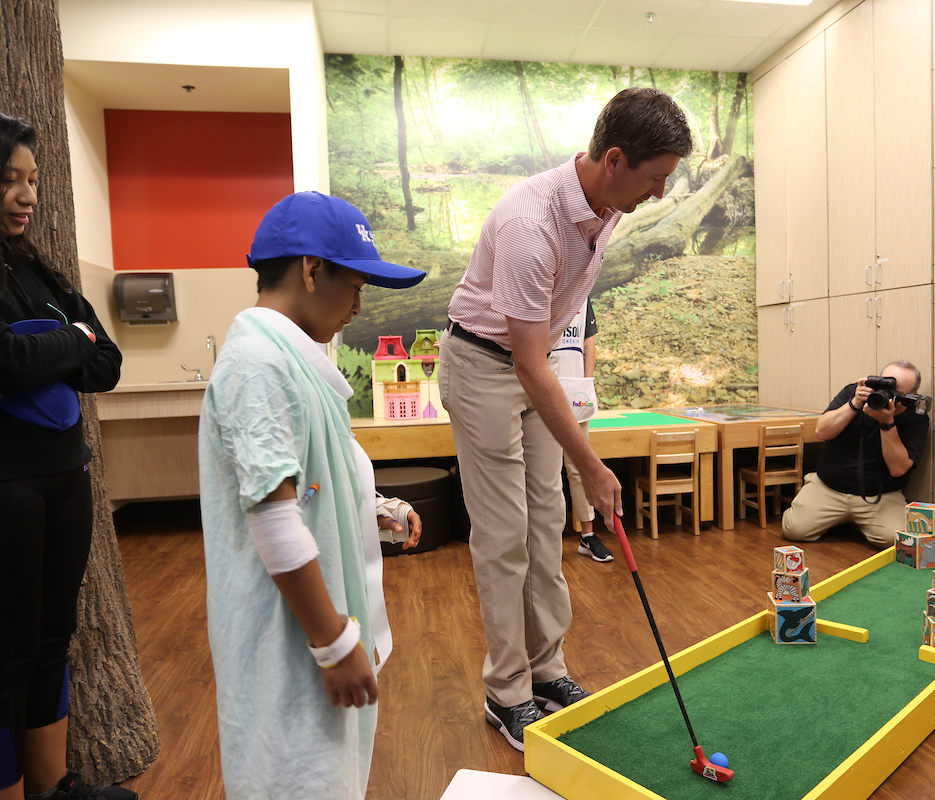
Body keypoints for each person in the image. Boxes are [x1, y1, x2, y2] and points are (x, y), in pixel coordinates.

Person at [438, 87, 693, 751]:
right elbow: (523, 362)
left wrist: (583, 462)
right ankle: (507, 692)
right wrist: (594, 466)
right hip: (485, 366)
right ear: (614, 159)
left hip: (533, 365)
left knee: (546, 522)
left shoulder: (607, 203)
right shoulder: (530, 222)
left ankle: (547, 670)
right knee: (504, 535)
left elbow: (541, 353)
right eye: (655, 179)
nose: (660, 195)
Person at [197, 191, 424, 800]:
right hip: (291, 637)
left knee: (329, 773)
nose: (358, 303)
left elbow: (313, 482)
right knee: (296, 778)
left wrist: (374, 513)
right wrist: (334, 641)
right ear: (311, 269)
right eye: (356, 284)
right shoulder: (259, 366)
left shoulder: (293, 361)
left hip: (315, 625)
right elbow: (275, 522)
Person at [0, 102, 132, 800]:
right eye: (8, 180)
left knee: (55, 642)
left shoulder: (35, 269)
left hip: (62, 475)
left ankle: (53, 788)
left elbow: (105, 361)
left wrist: (55, 345)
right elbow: (3, 362)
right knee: (2, 661)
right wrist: (67, 343)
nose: (26, 196)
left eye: (32, 179)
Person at [781, 361, 930, 548]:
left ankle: (854, 523)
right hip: (829, 489)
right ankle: (839, 516)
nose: (887, 395)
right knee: (794, 530)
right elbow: (822, 432)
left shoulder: (916, 416)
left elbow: (898, 469)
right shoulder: (855, 392)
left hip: (880, 496)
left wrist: (887, 423)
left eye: (896, 392)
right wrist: (855, 403)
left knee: (898, 542)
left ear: (911, 396)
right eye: (885, 386)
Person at [556, 298, 613, 562]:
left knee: (578, 466)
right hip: (545, 392)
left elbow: (588, 341)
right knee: (542, 471)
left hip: (576, 393)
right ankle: (544, 537)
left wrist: (586, 383)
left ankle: (587, 535)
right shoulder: (540, 285)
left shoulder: (582, 294)